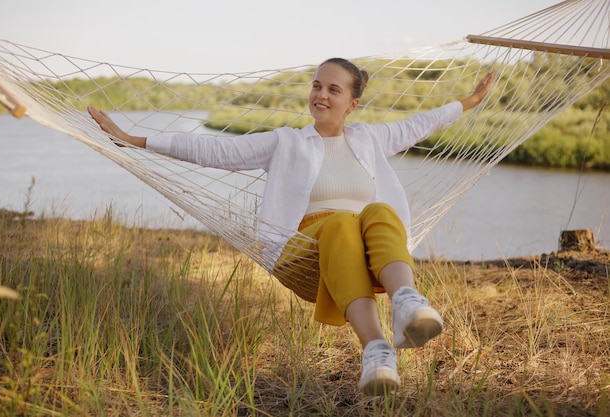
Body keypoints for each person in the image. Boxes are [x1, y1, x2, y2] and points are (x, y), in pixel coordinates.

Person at [88, 58, 494, 396]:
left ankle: (402, 307)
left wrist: (472, 100)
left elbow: (423, 123)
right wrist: (134, 140)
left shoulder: (370, 139)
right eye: (317, 86)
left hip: (367, 250)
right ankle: (374, 344)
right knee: (339, 223)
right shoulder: (287, 142)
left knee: (381, 212)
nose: (321, 94)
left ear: (352, 103)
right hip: (302, 251)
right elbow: (214, 149)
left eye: (334, 89)